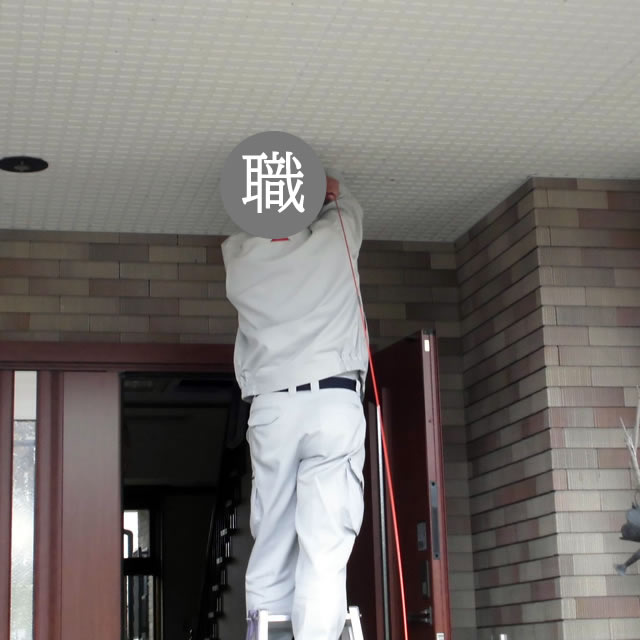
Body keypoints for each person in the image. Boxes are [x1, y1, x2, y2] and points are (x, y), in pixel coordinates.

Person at [221, 168, 369, 640]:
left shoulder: (240, 257)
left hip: (274, 409)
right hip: (334, 399)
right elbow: (344, 205)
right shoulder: (334, 239)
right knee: (324, 549)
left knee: (273, 539)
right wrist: (327, 192)